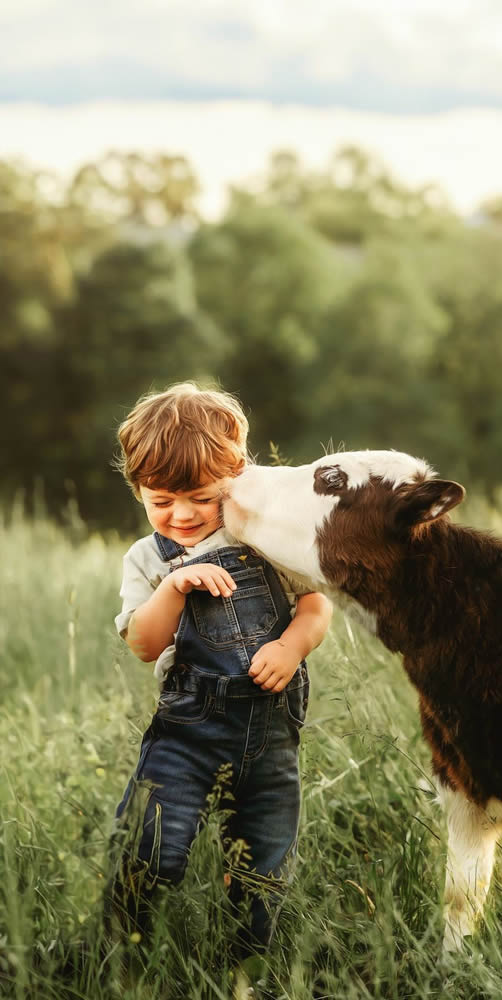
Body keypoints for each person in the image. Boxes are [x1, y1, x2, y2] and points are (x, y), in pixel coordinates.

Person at [107, 382, 332, 956]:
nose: (182, 514)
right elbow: (143, 643)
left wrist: (291, 648)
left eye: (201, 498)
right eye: (161, 501)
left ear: (235, 479)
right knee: (152, 848)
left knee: (262, 867)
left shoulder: (266, 539)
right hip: (187, 733)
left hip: (271, 736)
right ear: (138, 490)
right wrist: (175, 587)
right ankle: (118, 950)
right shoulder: (148, 558)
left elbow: (315, 606)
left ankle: (244, 968)